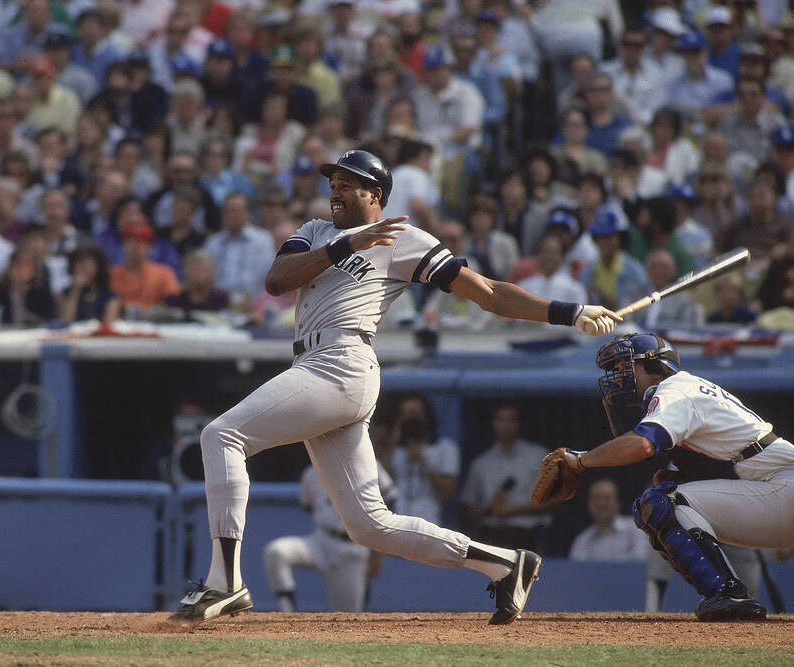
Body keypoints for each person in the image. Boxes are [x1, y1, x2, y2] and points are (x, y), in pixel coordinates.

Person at [167, 149, 620, 625]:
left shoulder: (403, 238)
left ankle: (225, 582)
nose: (336, 190)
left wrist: (570, 312)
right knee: (370, 526)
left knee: (222, 435)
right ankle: (505, 564)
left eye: (348, 183)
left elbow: (488, 293)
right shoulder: (316, 232)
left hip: (342, 361)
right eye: (333, 183)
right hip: (315, 364)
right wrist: (346, 244)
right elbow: (277, 281)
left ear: (375, 193)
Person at [552, 333, 794, 620]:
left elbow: (643, 444)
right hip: (773, 488)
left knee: (662, 502)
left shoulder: (674, 390)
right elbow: (736, 464)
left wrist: (581, 461)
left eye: (625, 366)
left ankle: (729, 593)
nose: (617, 377)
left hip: (782, 487)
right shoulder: (686, 387)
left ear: (655, 368)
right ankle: (728, 595)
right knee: (657, 500)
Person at [263, 461, 396, 613]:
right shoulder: (311, 471)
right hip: (321, 540)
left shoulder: (365, 461)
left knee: (347, 617)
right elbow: (308, 505)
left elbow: (390, 500)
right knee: (276, 552)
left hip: (351, 549)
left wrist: (378, 553)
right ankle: (288, 614)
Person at [460, 404, 555, 552]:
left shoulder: (539, 456)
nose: (506, 425)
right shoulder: (481, 462)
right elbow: (470, 509)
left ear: (519, 423)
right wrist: (490, 509)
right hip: (492, 536)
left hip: (530, 535)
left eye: (511, 419)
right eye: (501, 420)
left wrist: (513, 510)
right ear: (493, 423)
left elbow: (554, 500)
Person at [388, 393, 459, 526]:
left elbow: (448, 493)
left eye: (415, 414)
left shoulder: (444, 447)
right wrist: (393, 440)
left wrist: (423, 462)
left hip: (429, 521)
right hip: (397, 521)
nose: (411, 419)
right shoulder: (395, 449)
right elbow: (379, 483)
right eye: (405, 414)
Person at [568, 479, 649, 561]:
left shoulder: (636, 529)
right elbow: (576, 568)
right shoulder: (583, 539)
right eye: (596, 498)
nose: (601, 504)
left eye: (607, 498)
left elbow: (640, 563)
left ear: (618, 503)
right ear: (589, 505)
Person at [57, 244, 120, 324]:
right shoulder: (63, 294)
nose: (84, 268)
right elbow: (65, 321)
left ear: (98, 266)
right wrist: (76, 290)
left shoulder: (110, 296)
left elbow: (108, 324)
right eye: (80, 264)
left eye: (88, 264)